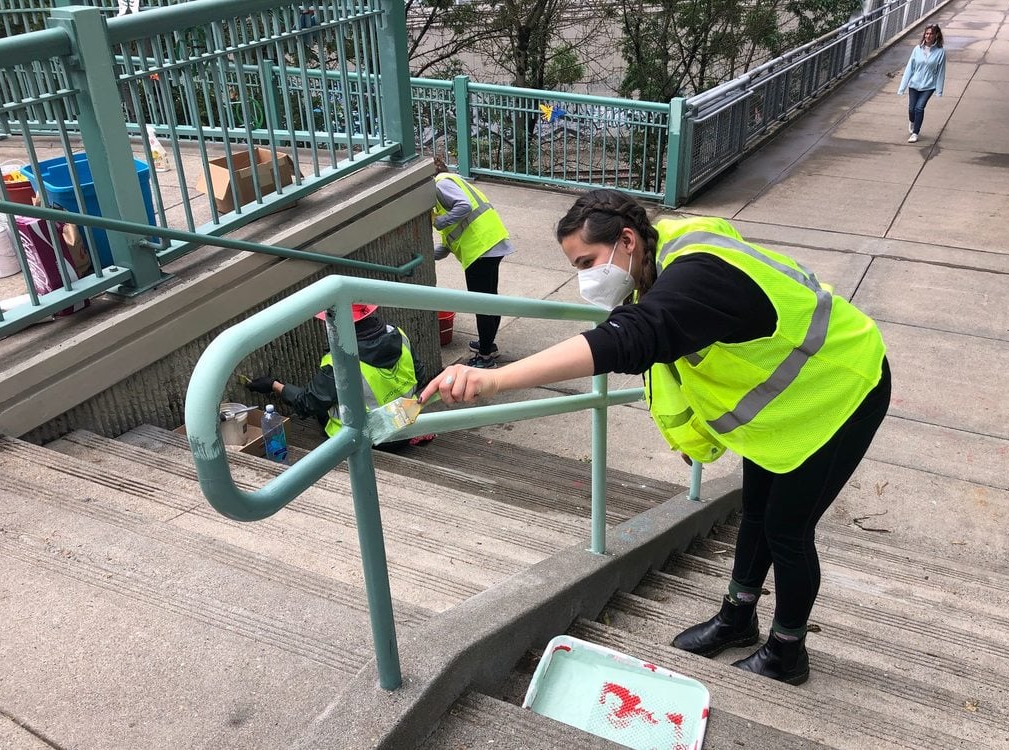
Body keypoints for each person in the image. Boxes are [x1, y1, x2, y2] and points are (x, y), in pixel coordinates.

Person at [419, 189, 891, 685]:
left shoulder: (698, 274)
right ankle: (738, 617)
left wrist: (493, 379)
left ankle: (787, 651)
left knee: (787, 531)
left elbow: (633, 339)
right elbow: (661, 347)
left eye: (588, 261)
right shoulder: (653, 264)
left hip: (843, 387)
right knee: (756, 512)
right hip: (790, 406)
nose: (585, 279)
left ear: (626, 240)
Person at [245, 303, 433, 450]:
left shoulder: (341, 362)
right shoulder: (398, 334)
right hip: (407, 424)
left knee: (323, 404)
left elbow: (307, 403)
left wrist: (273, 385)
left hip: (372, 437)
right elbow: (420, 374)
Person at [431, 156, 514, 369]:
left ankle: (485, 357)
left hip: (481, 248)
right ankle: (488, 344)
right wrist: (429, 254)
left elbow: (464, 206)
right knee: (490, 299)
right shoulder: (452, 181)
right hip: (490, 243)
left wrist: (439, 222)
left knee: (482, 304)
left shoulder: (440, 183)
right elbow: (450, 241)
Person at [897, 24, 946, 144]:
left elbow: (941, 72)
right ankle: (912, 121)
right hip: (914, 84)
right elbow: (910, 68)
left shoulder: (940, 52)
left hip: (928, 86)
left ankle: (915, 133)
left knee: (919, 107)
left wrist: (939, 90)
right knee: (911, 109)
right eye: (927, 33)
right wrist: (902, 87)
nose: (928, 36)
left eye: (931, 34)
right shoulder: (917, 49)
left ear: (936, 36)